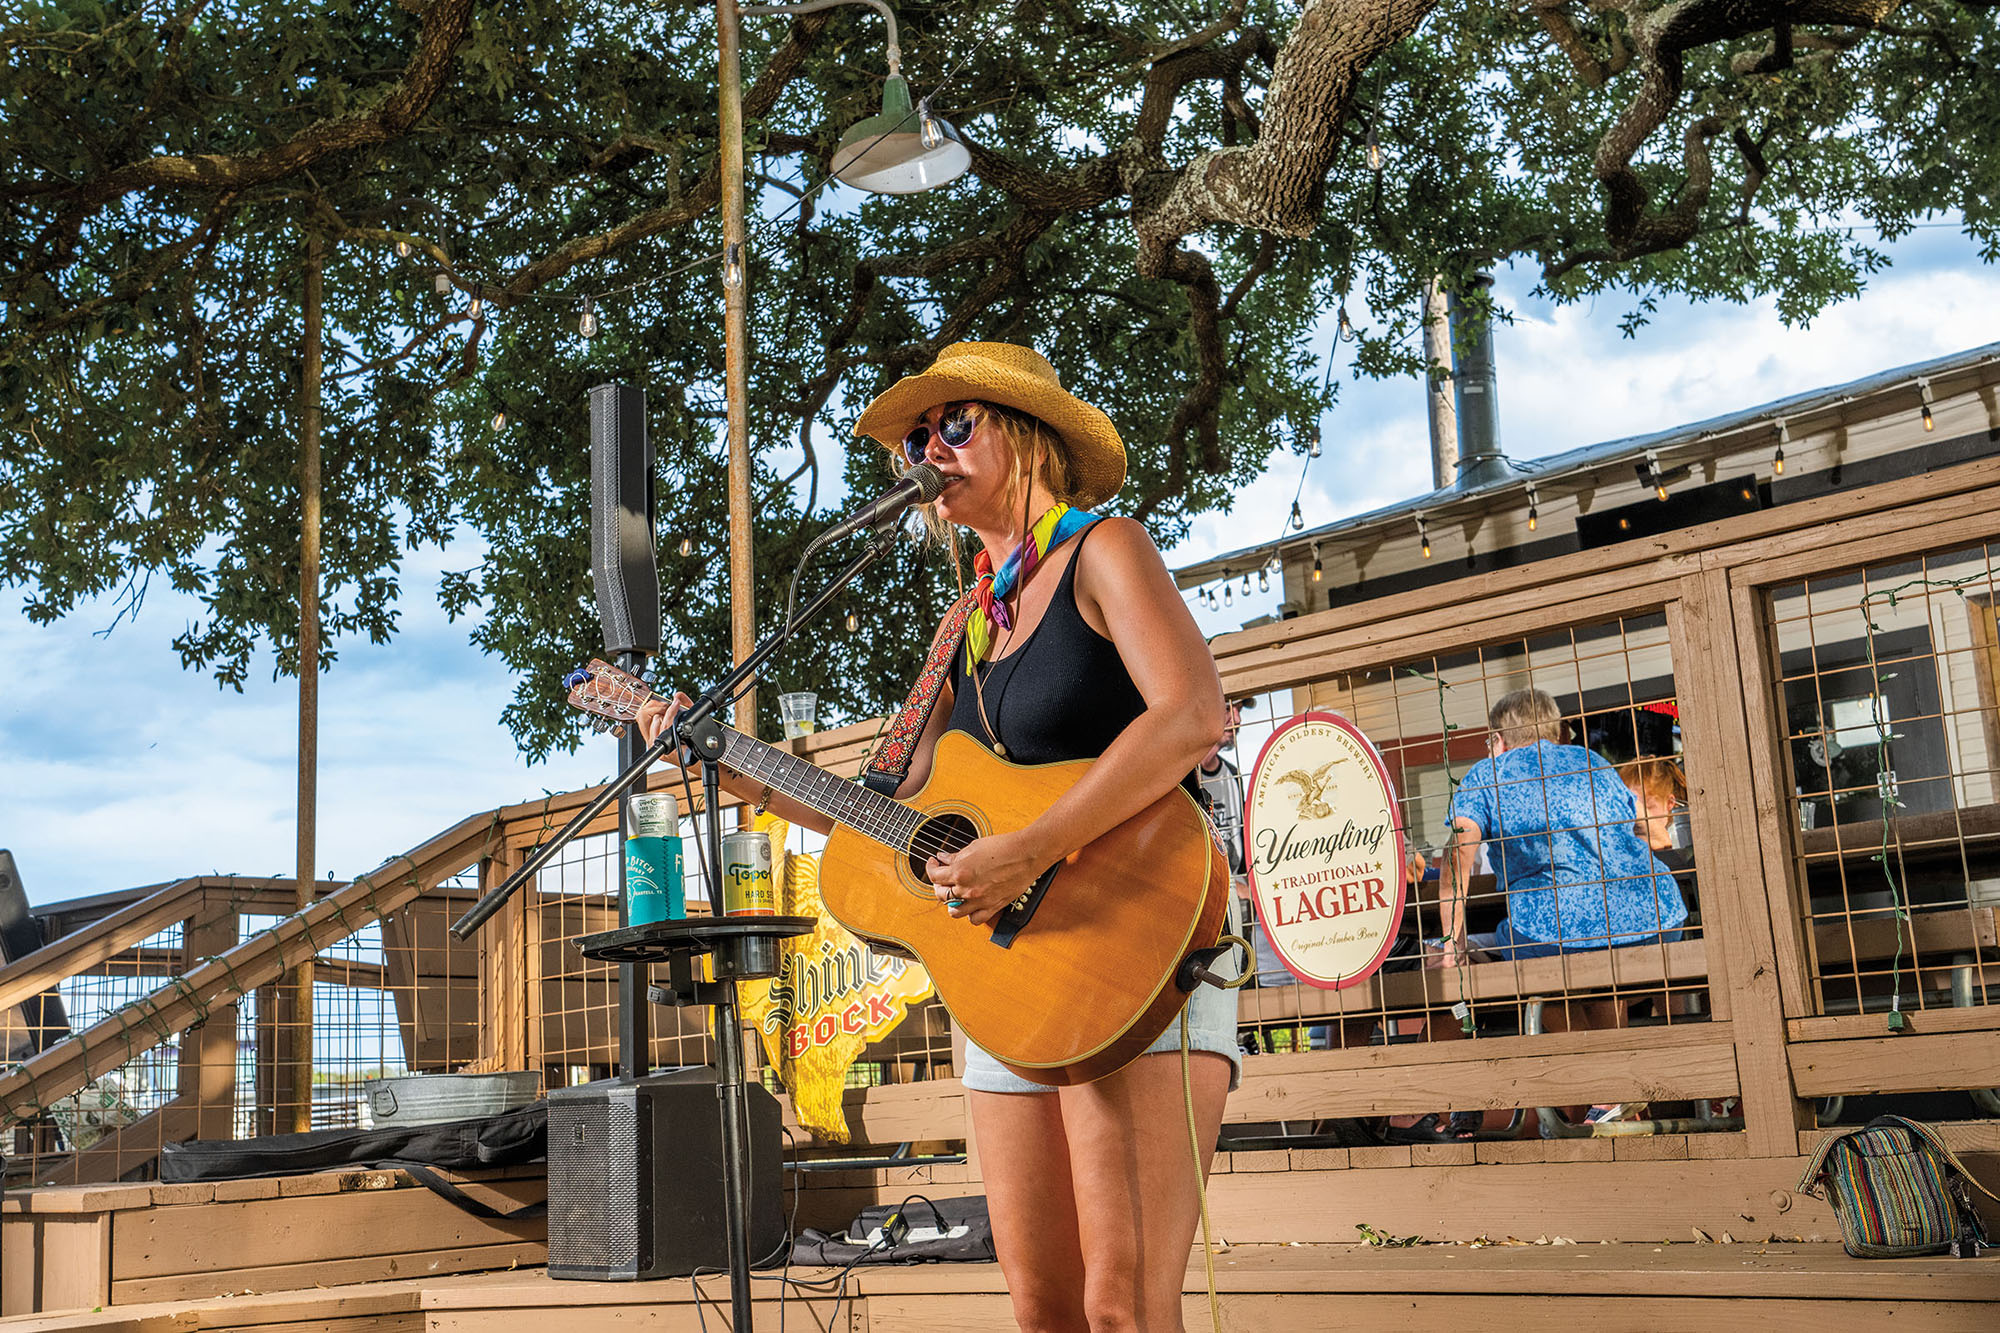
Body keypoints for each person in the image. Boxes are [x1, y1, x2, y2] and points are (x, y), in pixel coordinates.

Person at [639, 341, 1236, 1331]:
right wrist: (742, 773)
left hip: (1140, 944)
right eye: (914, 436)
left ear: (1027, 437)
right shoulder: (967, 622)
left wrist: (1030, 847)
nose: (926, 449)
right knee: (1041, 1304)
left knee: (1121, 1306)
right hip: (1014, 979)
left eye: (952, 425)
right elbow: (893, 815)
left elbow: (1186, 714)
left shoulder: (1106, 548)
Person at [1431, 687, 1686, 971]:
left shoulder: (1487, 774)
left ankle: (1556, 1013)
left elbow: (1459, 852)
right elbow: (1649, 830)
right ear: (1557, 734)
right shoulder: (1591, 762)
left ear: (1498, 740)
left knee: (1518, 946)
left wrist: (1454, 946)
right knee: (1603, 974)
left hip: (1554, 931)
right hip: (1658, 914)